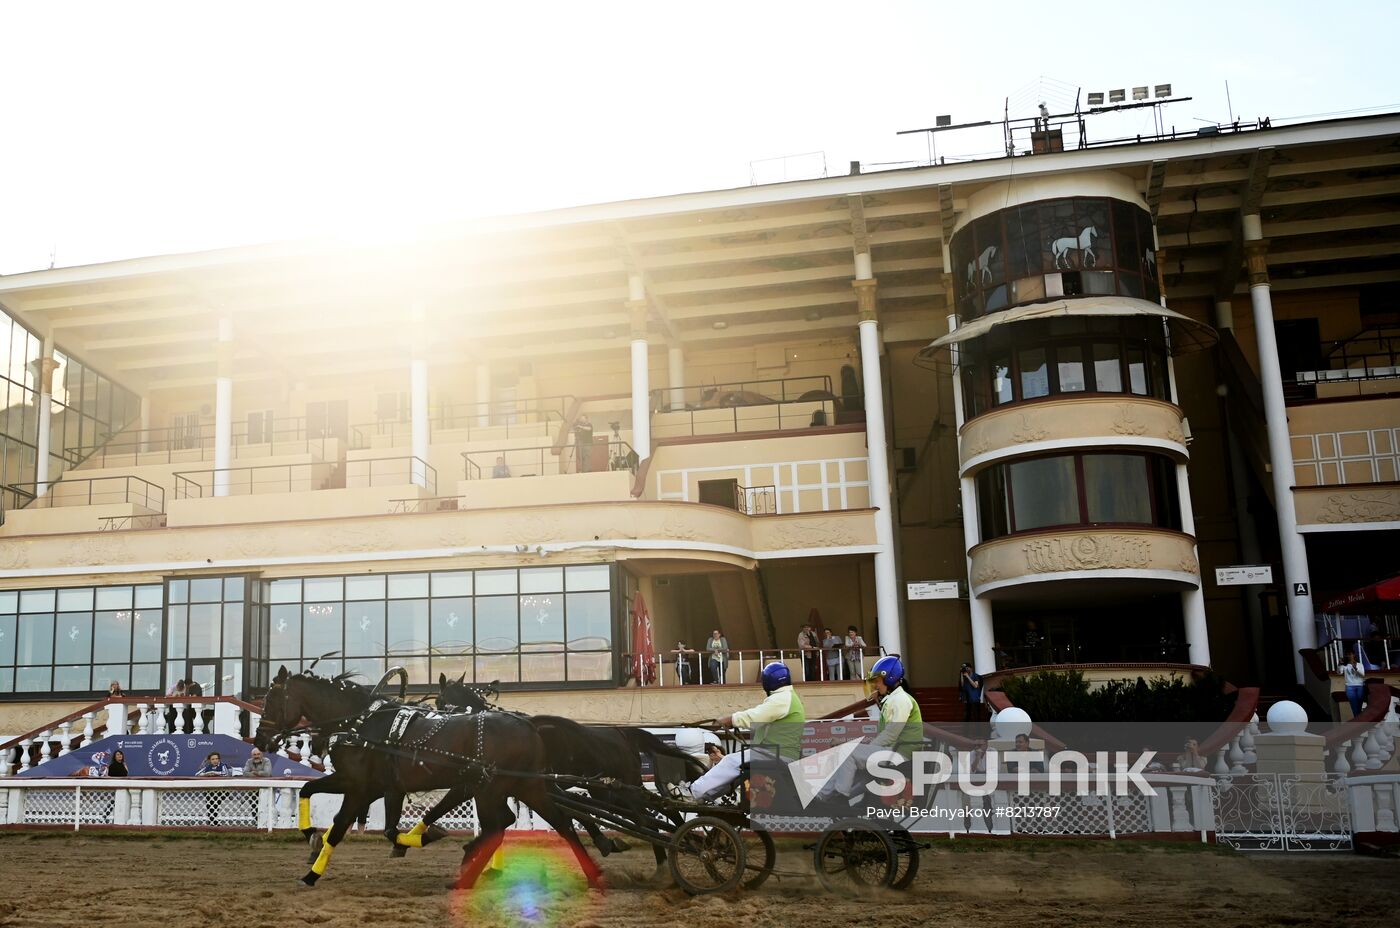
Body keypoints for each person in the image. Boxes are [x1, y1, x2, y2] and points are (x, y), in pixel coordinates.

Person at [687, 661, 806, 801]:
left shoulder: (782, 698)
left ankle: (692, 793)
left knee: (730, 761)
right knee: (736, 769)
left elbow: (755, 716)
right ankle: (705, 797)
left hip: (776, 755)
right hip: (776, 753)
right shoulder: (787, 697)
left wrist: (729, 720)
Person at [824, 655, 924, 802]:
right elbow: (884, 737)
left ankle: (837, 797)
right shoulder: (893, 699)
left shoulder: (901, 700)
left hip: (900, 755)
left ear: (889, 678)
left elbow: (890, 734)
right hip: (894, 752)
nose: (875, 686)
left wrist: (857, 748)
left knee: (846, 753)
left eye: (876, 681)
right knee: (850, 759)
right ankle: (828, 798)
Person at [197, 751, 232, 827]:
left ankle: (213, 821)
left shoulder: (222, 765)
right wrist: (206, 774)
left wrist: (215, 773)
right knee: (209, 804)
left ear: (219, 759)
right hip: (210, 790)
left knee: (214, 802)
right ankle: (213, 822)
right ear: (210, 760)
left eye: (216, 759)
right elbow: (197, 774)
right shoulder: (207, 767)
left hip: (222, 790)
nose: (215, 760)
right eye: (213, 759)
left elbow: (226, 774)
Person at [1340, 650, 1368, 718]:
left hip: (1360, 686)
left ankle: (1358, 721)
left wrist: (1356, 668)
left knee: (1359, 705)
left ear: (1354, 655)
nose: (1349, 656)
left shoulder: (1360, 664)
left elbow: (1363, 675)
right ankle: (1358, 721)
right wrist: (1339, 664)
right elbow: (1339, 672)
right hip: (1349, 687)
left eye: (1350, 654)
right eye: (1347, 655)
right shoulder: (1345, 665)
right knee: (1354, 706)